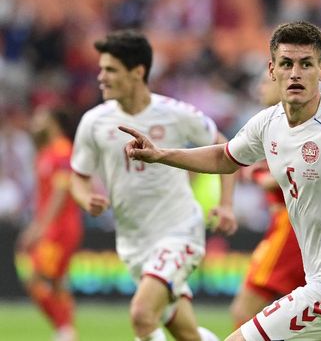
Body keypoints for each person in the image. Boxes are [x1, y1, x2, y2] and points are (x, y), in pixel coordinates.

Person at [120, 21, 321, 341]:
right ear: (272, 70)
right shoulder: (267, 122)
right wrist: (161, 155)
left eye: (306, 64)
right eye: (287, 63)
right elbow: (224, 158)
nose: (295, 73)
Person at [69, 29, 238, 341]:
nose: (101, 77)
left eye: (110, 70)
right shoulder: (93, 122)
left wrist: (227, 204)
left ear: (137, 72)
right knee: (186, 334)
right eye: (101, 69)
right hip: (133, 243)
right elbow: (77, 175)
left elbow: (224, 149)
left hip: (179, 230)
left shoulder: (176, 114)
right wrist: (85, 198)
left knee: (142, 315)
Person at [229, 73, 306, 329]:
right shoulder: (269, 124)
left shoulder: (297, 124)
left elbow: (295, 171)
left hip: (290, 227)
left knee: (245, 310)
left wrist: (258, 171)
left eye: (265, 81)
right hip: (288, 225)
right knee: (294, 320)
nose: (259, 86)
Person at [17, 108, 82, 341]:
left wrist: (40, 227)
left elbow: (60, 192)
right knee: (56, 282)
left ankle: (64, 328)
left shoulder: (63, 150)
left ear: (53, 122)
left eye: (40, 117)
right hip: (51, 226)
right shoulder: (45, 152)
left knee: (34, 277)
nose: (35, 121)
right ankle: (65, 330)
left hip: (60, 227)